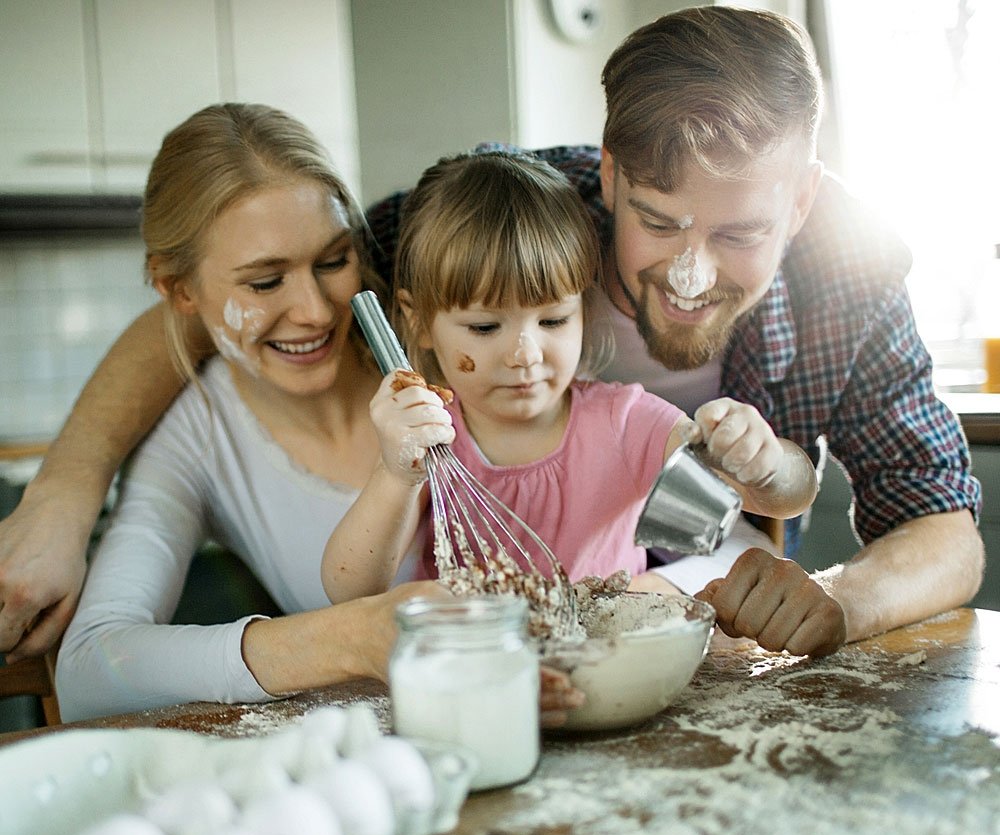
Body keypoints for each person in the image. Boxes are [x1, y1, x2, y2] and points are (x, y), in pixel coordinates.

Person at [0, 7, 982, 662]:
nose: (691, 273)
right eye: (658, 222)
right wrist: (65, 486)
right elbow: (234, 305)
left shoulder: (847, 275)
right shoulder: (504, 217)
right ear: (604, 174)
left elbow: (941, 520)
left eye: (739, 234)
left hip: (705, 634)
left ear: (801, 199)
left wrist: (838, 599)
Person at [49, 103, 456, 723]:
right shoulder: (198, 435)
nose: (316, 311)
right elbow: (88, 670)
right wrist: (345, 637)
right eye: (265, 283)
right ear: (177, 290)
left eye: (332, 261)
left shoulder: (444, 337)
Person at [321, 151, 818, 620]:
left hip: (611, 671)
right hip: (481, 673)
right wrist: (395, 474)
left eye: (554, 320)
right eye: (485, 328)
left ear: (584, 307)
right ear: (420, 321)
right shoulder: (430, 438)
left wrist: (764, 462)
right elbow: (350, 590)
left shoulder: (626, 423)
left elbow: (784, 497)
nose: (525, 355)